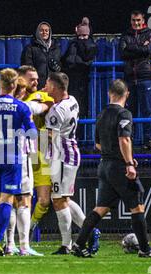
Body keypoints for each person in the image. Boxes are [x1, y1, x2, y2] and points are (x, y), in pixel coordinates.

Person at [72, 79, 151, 259]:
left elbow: (97, 144)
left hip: (104, 165)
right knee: (137, 207)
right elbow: (124, 139)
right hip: (119, 167)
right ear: (127, 94)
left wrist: (114, 153)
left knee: (100, 208)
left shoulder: (101, 114)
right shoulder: (124, 114)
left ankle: (79, 244)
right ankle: (145, 250)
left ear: (109, 93)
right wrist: (129, 162)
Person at [0, 68, 37, 256]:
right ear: (14, 85)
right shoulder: (21, 107)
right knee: (7, 200)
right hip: (13, 158)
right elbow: (32, 134)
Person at [44, 72, 92, 255]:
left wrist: (34, 130)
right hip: (69, 153)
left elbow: (52, 136)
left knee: (58, 200)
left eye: (47, 84)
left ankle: (67, 244)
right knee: (64, 198)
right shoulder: (72, 100)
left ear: (54, 87)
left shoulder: (57, 111)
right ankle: (90, 230)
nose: (45, 87)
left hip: (62, 156)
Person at [3, 76, 49, 256]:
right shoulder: (25, 106)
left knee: (8, 199)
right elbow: (44, 107)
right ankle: (24, 246)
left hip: (0, 156)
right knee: (24, 199)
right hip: (21, 157)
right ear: (21, 91)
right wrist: (45, 96)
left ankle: (9, 244)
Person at [16, 66, 53, 235]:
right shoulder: (13, 99)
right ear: (20, 79)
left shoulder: (41, 96)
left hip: (42, 151)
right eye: (32, 79)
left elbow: (51, 104)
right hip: (20, 152)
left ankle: (28, 230)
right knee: (19, 199)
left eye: (37, 79)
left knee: (44, 200)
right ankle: (14, 236)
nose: (36, 82)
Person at [119, 10, 151, 150]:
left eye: (138, 20)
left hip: (145, 77)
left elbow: (149, 50)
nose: (136, 23)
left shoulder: (150, 34)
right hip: (129, 79)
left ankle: (149, 140)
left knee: (147, 110)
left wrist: (132, 48)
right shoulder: (125, 35)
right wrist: (141, 48)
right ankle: (129, 139)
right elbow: (122, 53)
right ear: (131, 21)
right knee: (129, 111)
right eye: (134, 20)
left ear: (143, 20)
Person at [62, 17, 97, 119]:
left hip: (82, 80)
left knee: (80, 108)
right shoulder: (73, 43)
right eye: (80, 35)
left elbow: (86, 57)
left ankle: (81, 133)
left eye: (84, 35)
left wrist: (80, 42)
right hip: (71, 79)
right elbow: (67, 58)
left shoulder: (90, 45)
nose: (82, 38)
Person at [21, 21, 62, 89]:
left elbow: (60, 63)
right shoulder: (30, 48)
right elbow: (27, 67)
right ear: (37, 32)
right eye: (41, 30)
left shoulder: (56, 48)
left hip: (52, 85)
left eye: (46, 30)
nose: (44, 33)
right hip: (37, 85)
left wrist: (58, 67)